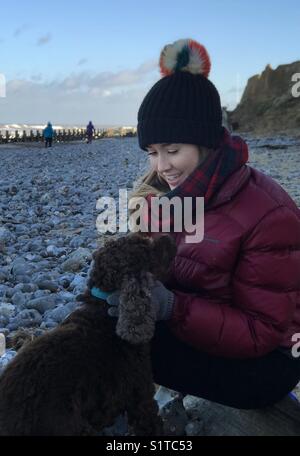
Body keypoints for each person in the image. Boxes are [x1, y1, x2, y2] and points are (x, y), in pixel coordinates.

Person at [107, 38, 300, 409]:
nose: (162, 166)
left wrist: (170, 307)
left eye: (173, 150)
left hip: (268, 362)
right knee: (104, 320)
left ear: (206, 143)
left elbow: (262, 330)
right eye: (153, 153)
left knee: (123, 346)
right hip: (209, 324)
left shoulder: (268, 215)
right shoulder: (176, 195)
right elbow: (180, 272)